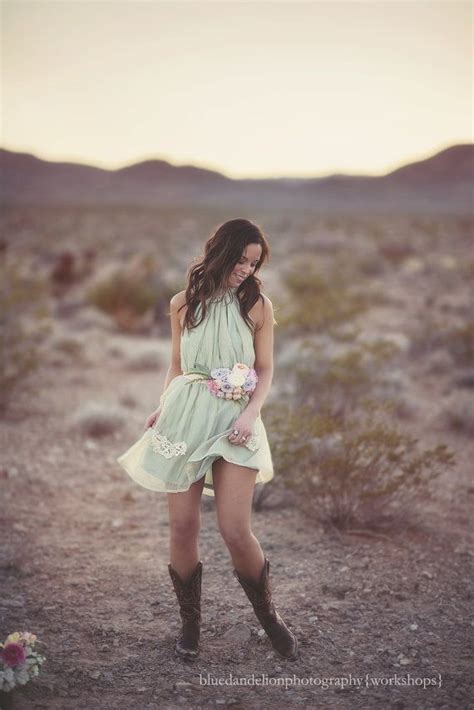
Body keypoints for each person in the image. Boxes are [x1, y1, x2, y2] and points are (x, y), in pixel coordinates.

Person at [116, 218, 298, 662]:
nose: (247, 270)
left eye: (254, 263)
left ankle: (270, 616)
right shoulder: (184, 303)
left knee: (235, 529)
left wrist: (252, 413)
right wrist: (164, 404)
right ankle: (190, 625)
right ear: (221, 252)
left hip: (235, 417)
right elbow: (177, 364)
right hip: (184, 414)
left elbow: (267, 369)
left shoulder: (259, 305)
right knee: (183, 525)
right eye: (241, 260)